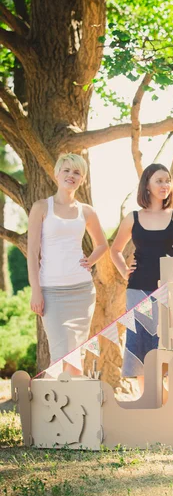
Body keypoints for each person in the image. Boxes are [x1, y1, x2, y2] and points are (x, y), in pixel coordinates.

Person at [111, 163, 173, 394]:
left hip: (171, 291)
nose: (165, 185)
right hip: (138, 290)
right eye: (159, 180)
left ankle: (171, 404)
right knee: (141, 348)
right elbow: (115, 250)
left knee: (171, 347)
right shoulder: (133, 218)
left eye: (167, 180)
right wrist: (124, 270)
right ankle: (148, 403)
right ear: (146, 184)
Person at [28, 153, 108, 373]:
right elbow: (33, 252)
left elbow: (102, 245)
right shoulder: (41, 207)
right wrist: (36, 290)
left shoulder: (87, 211)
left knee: (77, 355)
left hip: (82, 292)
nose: (71, 175)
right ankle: (57, 404)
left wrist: (89, 261)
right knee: (61, 353)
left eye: (77, 172)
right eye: (66, 170)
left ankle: (75, 406)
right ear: (56, 174)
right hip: (51, 291)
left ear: (82, 179)